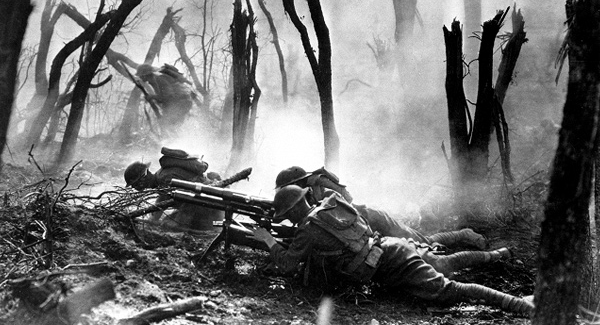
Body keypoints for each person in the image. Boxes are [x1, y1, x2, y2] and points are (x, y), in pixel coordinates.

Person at [249, 186, 534, 316]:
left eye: (286, 214)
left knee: (448, 289)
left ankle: (522, 305)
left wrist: (268, 240)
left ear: (294, 210)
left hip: (390, 262)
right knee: (444, 265)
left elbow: (287, 265)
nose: (286, 219)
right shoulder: (329, 206)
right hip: (388, 250)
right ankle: (497, 257)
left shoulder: (308, 229)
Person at [274, 166, 487, 251]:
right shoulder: (302, 199)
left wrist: (323, 189)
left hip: (371, 218)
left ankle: (464, 234)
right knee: (416, 245)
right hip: (360, 230)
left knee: (423, 242)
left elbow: (347, 198)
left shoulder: (318, 184)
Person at [124, 147, 222, 229]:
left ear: (142, 179)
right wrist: (153, 220)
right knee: (167, 223)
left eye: (135, 184)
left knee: (172, 226)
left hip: (211, 205)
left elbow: (188, 199)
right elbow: (161, 202)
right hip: (207, 203)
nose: (135, 188)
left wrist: (177, 222)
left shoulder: (164, 178)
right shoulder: (161, 178)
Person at [136, 63, 197, 133]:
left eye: (141, 76)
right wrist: (153, 98)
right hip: (181, 102)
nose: (140, 78)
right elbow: (163, 98)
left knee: (168, 126)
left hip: (180, 102)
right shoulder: (155, 79)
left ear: (145, 74)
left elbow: (168, 96)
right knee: (170, 127)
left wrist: (152, 97)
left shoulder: (159, 78)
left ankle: (175, 141)